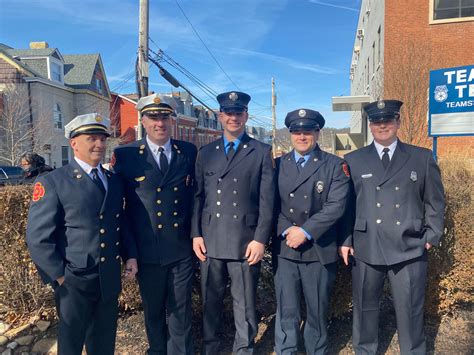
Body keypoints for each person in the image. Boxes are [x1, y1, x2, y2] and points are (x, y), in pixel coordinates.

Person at [25, 113, 138, 355]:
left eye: (102, 139)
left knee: (104, 341)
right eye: (92, 138)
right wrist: (59, 276)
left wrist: (130, 255)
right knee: (71, 344)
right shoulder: (54, 181)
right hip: (73, 280)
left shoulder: (113, 180)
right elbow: (38, 237)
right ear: (74, 143)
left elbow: (120, 221)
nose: (99, 144)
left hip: (108, 276)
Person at [340, 100, 445, 355]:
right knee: (365, 309)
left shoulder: (420, 158)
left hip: (409, 246)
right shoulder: (353, 159)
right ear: (370, 125)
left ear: (398, 122)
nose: (382, 125)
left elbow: (435, 201)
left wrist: (432, 234)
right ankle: (365, 351)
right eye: (377, 121)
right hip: (366, 246)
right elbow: (346, 206)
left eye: (388, 120)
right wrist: (345, 239)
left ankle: (414, 351)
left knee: (411, 310)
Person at [191, 91, 276, 354]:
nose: (233, 118)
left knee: (245, 304)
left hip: (245, 241)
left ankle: (244, 348)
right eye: (228, 113)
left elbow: (267, 200)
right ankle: (211, 347)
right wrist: (196, 234)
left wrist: (261, 239)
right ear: (220, 116)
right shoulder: (206, 153)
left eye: (238, 113)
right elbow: (198, 196)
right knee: (211, 300)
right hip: (211, 240)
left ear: (246, 116)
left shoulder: (260, 151)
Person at [112, 93, 197, 355]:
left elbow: (196, 197)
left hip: (181, 249)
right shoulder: (125, 154)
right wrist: (130, 253)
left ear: (171, 120)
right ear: (143, 120)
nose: (159, 122)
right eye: (153, 117)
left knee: (181, 312)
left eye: (164, 116)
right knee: (153, 313)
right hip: (147, 253)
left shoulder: (188, 152)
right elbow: (120, 211)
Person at [273, 109, 350, 354]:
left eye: (308, 131)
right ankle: (287, 350)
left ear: (317, 133)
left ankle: (317, 350)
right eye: (297, 131)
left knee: (317, 311)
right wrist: (287, 229)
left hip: (318, 249)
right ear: (290, 134)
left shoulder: (335, 165)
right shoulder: (277, 165)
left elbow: (336, 206)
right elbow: (268, 205)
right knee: (287, 310)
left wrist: (305, 231)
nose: (302, 136)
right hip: (286, 249)